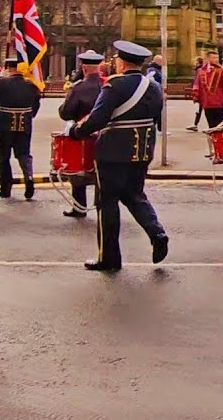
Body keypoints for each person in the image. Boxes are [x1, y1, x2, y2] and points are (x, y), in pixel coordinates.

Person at [66, 40, 169, 273]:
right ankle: (157, 233)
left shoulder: (114, 85)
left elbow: (98, 119)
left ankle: (109, 258)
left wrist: (75, 132)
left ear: (122, 63)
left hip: (113, 152)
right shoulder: (152, 86)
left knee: (107, 204)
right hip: (142, 149)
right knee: (135, 194)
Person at [57, 51, 105, 219]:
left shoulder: (78, 88)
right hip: (106, 135)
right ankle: (101, 207)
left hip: (83, 134)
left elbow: (65, 113)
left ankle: (80, 207)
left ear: (83, 68)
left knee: (78, 170)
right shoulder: (108, 85)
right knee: (101, 171)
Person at [0, 57, 42, 200]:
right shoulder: (31, 85)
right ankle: (29, 178)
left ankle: (5, 188)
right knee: (24, 154)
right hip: (24, 122)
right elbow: (36, 105)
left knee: (3, 157)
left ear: (8, 68)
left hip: (3, 123)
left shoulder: (0, 83)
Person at [191, 51, 223, 131]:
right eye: (214, 58)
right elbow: (197, 86)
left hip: (219, 103)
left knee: (219, 127)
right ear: (208, 59)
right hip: (207, 104)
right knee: (211, 126)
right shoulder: (201, 72)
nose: (216, 59)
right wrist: (196, 100)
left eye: (217, 57)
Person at [185, 56, 204, 131]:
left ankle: (195, 124)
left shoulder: (199, 70)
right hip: (201, 93)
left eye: (195, 61)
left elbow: (197, 81)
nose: (194, 63)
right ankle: (195, 124)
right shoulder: (200, 69)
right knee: (199, 110)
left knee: (200, 109)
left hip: (201, 93)